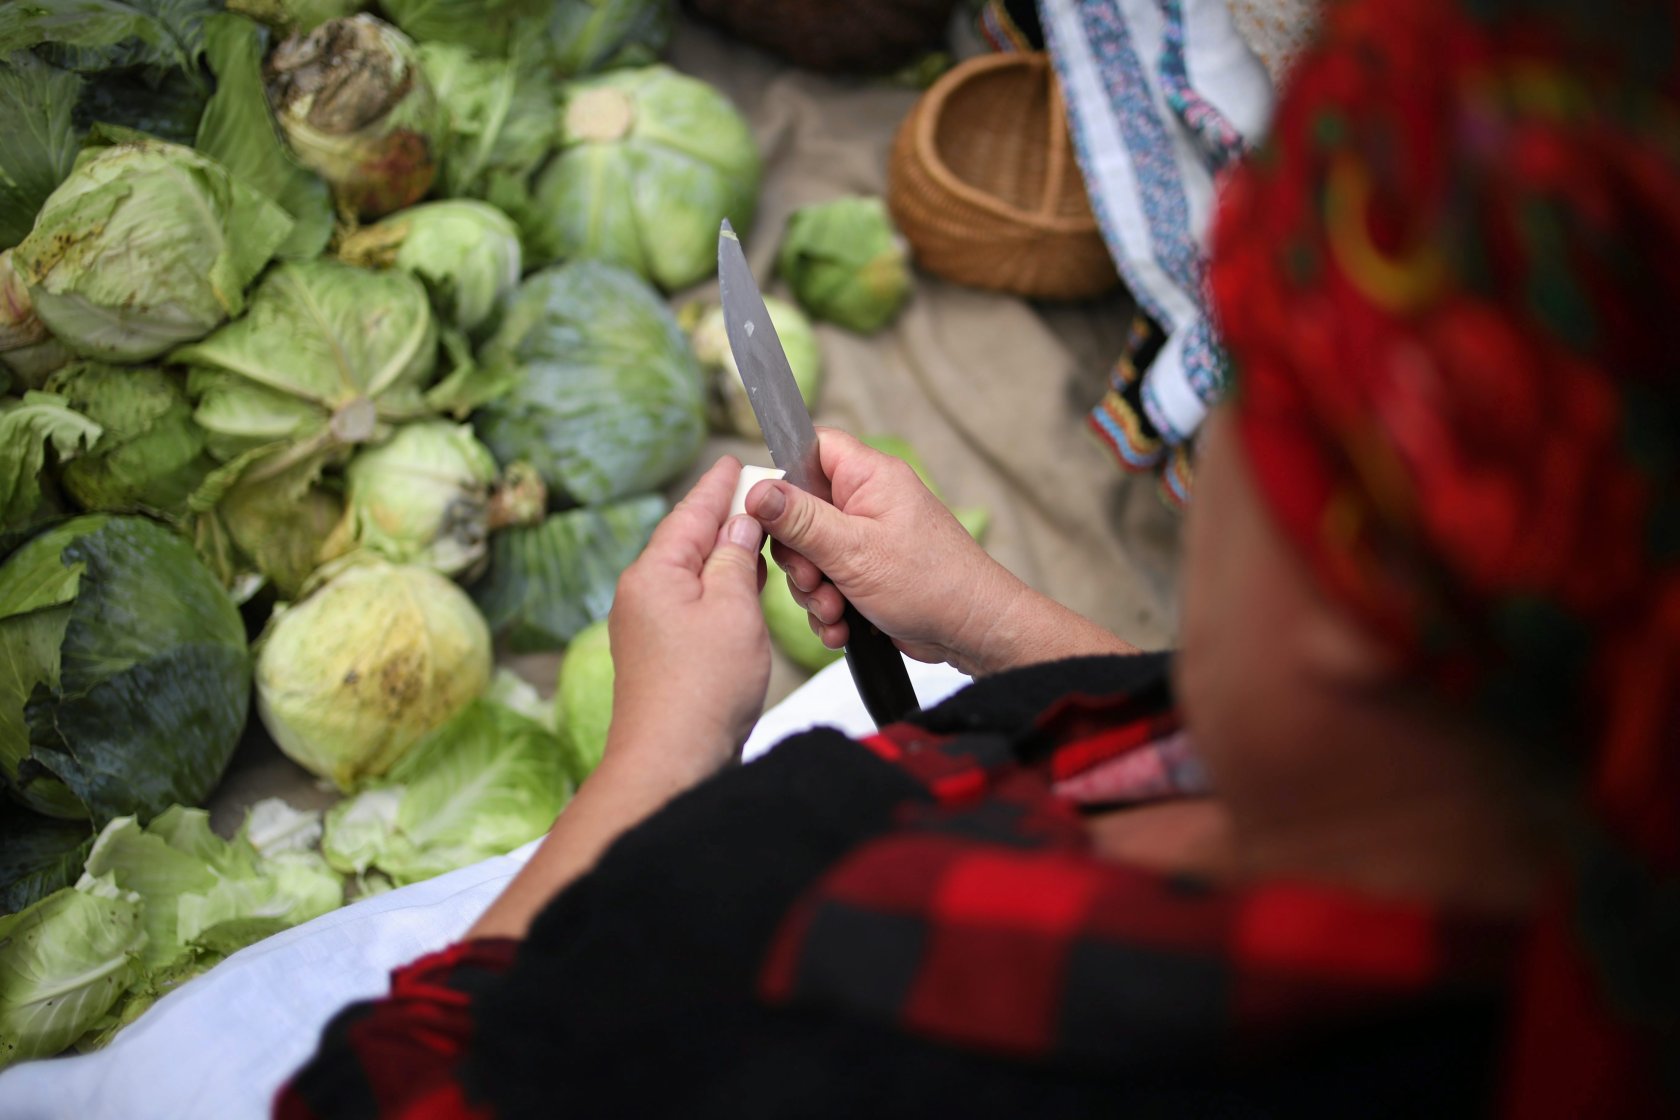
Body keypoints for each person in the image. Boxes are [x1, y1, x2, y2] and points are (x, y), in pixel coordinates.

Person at [277, 0, 1677, 1115]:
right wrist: (990, 620)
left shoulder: (799, 956)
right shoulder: (1555, 912)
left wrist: (658, 753)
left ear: (1353, 613)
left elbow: (379, 1084)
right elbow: (1210, 741)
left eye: (1246, 401)